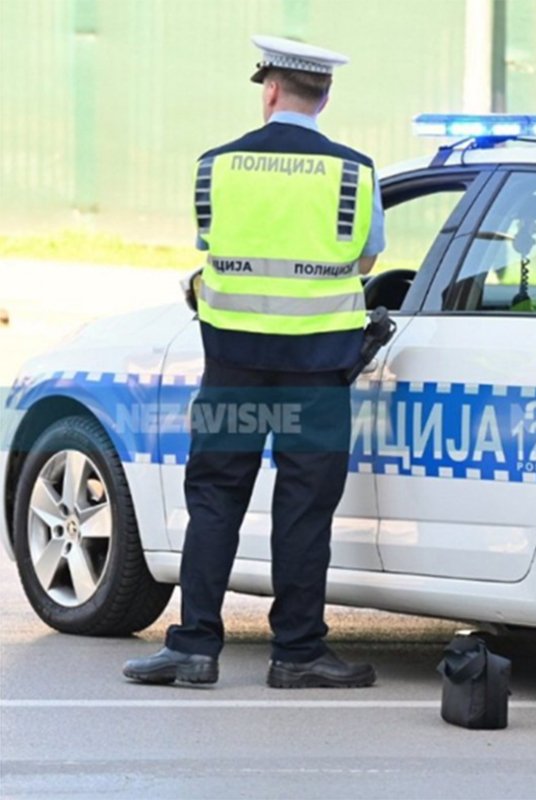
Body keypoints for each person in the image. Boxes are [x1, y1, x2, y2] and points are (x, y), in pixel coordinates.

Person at [123, 36, 385, 688]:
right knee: (304, 508)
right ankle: (297, 654)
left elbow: (210, 248)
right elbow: (367, 258)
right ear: (323, 96)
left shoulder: (217, 167)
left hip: (234, 366)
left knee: (215, 498)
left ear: (269, 90)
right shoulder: (353, 172)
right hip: (318, 371)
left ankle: (193, 647)